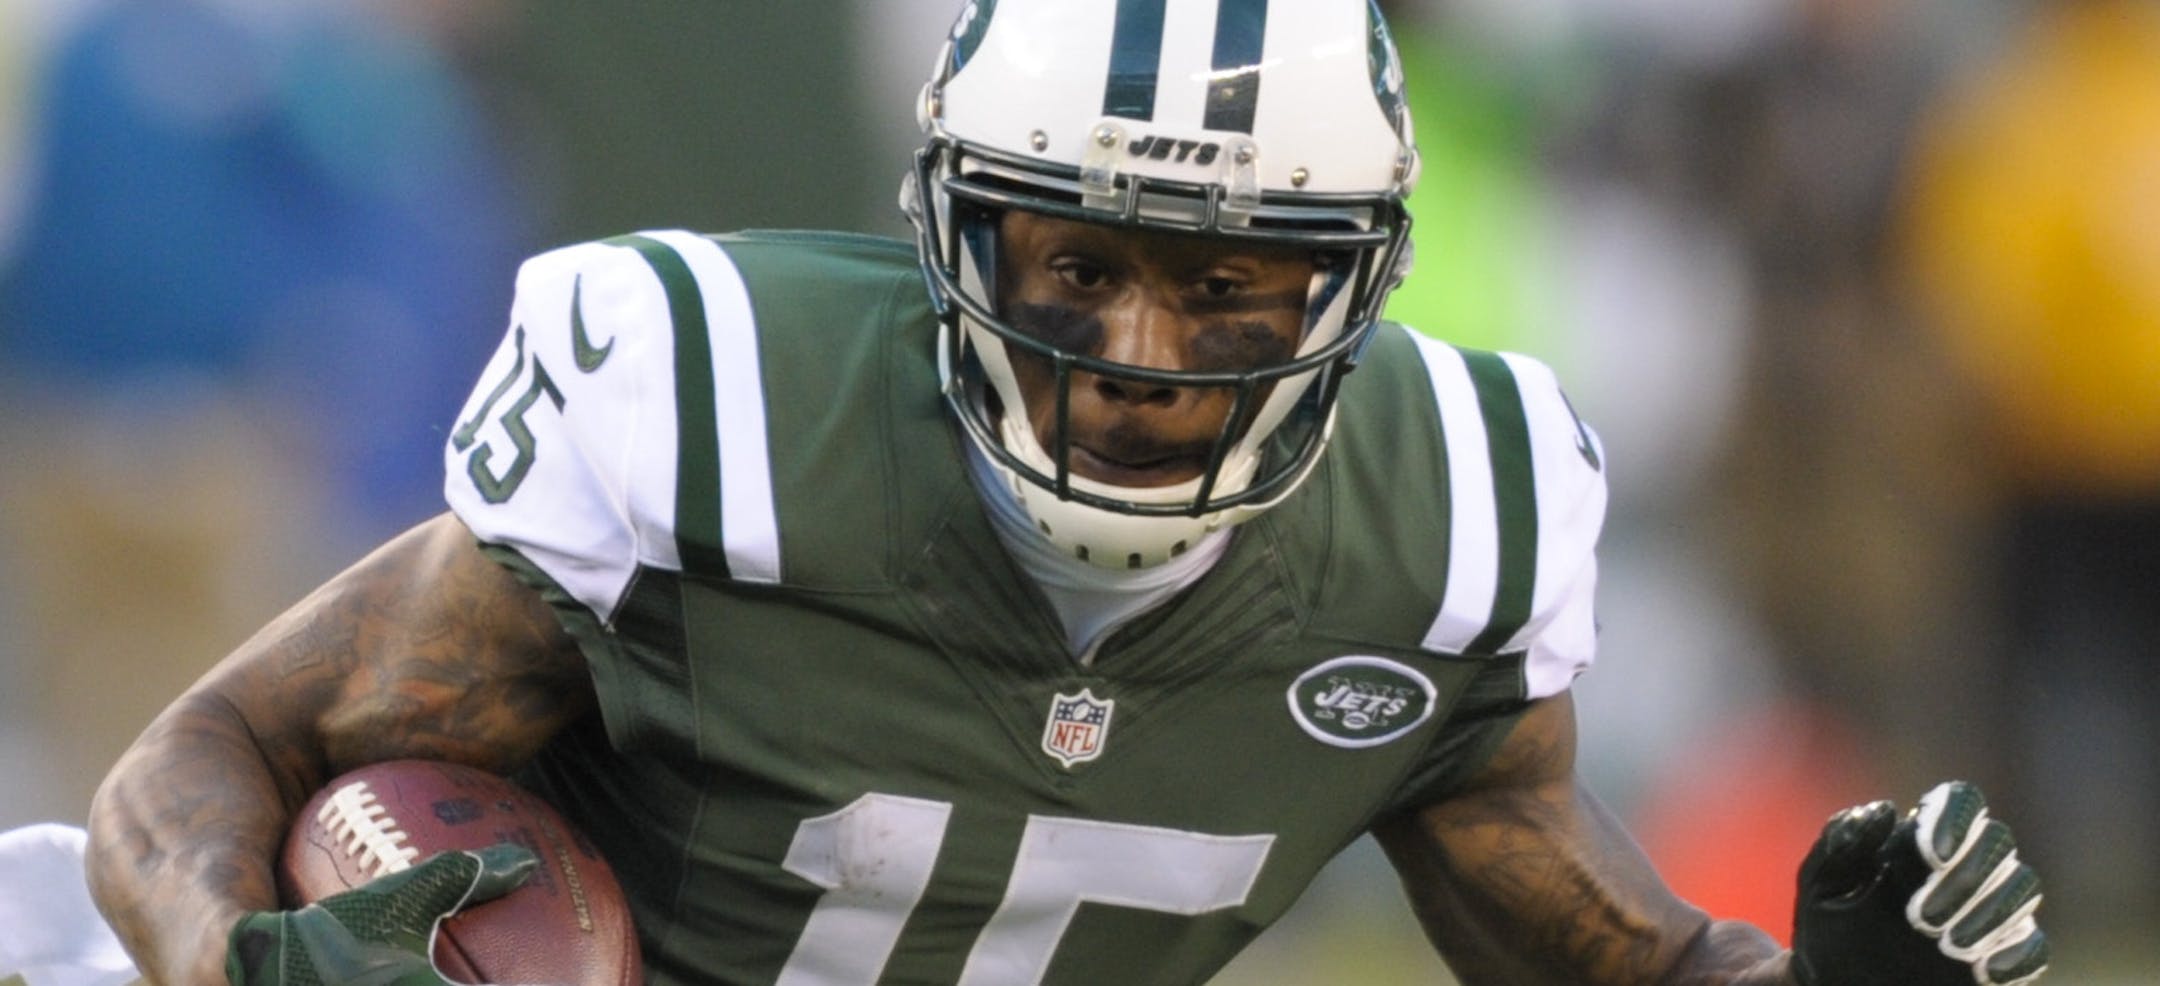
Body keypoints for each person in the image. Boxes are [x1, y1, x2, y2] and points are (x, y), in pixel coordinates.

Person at [83, 2, 2049, 984]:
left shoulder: (1449, 524)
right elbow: (215, 750)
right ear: (953, 236)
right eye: (1072, 261)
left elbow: (1609, 950)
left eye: (1228, 285)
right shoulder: (714, 408)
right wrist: (234, 956)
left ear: (1349, 290)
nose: (1138, 349)